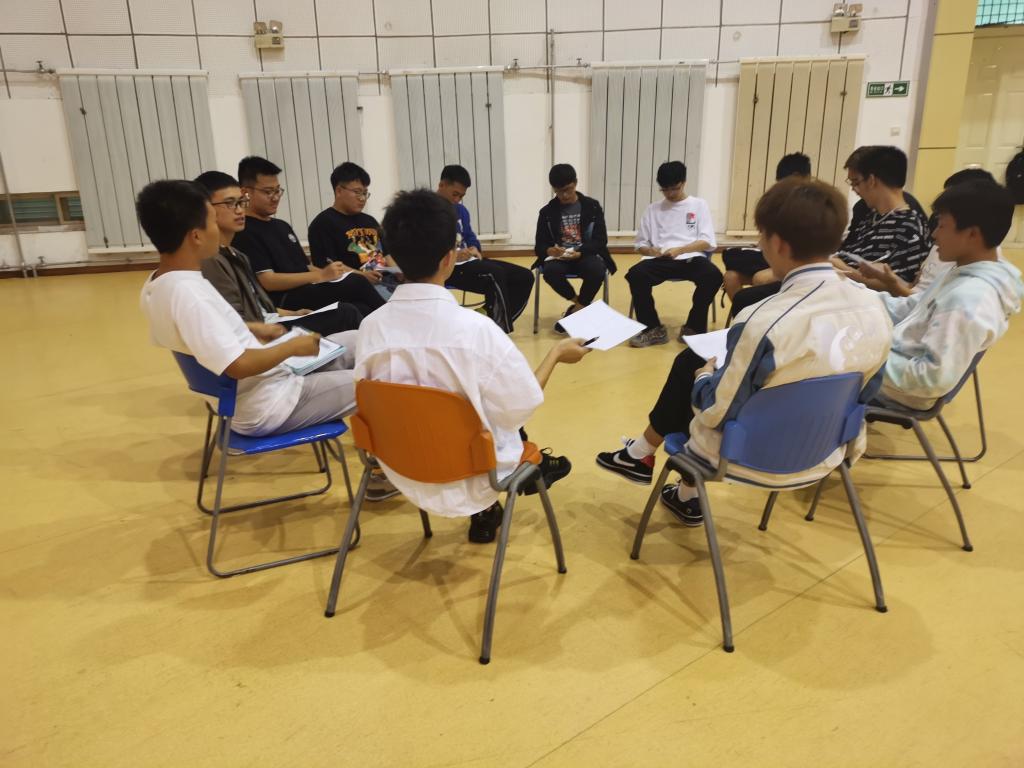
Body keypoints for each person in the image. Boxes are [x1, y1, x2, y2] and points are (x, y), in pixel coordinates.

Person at [595, 177, 892, 526]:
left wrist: (704, 377)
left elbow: (715, 411)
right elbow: (867, 393)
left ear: (777, 243)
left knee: (697, 372)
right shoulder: (875, 308)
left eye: (760, 237)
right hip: (827, 451)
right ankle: (669, 480)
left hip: (752, 454)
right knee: (701, 363)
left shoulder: (763, 320)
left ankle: (647, 458)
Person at [355, 189, 591, 543]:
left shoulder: (371, 327)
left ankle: (500, 501)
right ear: (449, 258)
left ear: (392, 258)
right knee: (493, 407)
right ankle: (534, 469)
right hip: (473, 476)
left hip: (400, 470)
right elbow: (520, 407)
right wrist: (556, 354)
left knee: (466, 400)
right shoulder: (476, 330)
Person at [137, 179, 360, 438]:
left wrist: (251, 328)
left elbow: (199, 333)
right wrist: (291, 347)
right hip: (269, 402)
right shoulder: (190, 294)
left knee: (360, 339)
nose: (217, 230)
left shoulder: (158, 283)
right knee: (382, 379)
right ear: (196, 236)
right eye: (212, 222)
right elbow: (238, 365)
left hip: (261, 385)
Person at [730, 145, 932, 318]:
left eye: (856, 182)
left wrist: (846, 270)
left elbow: (898, 287)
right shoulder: (869, 214)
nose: (854, 189)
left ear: (871, 180)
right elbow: (846, 251)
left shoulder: (910, 226)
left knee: (751, 299)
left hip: (850, 296)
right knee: (749, 291)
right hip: (831, 281)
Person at [875, 179, 1022, 410]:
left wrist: (866, 356)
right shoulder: (963, 271)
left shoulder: (968, 300)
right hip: (896, 359)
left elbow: (931, 379)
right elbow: (913, 308)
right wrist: (858, 298)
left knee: (823, 357)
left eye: (942, 226)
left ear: (972, 234)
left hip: (904, 389)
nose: (934, 234)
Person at [195, 171, 364, 336]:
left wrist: (292, 313)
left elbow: (257, 305)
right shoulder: (211, 260)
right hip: (262, 331)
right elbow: (237, 321)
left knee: (353, 311)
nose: (239, 210)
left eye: (241, 202)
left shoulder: (238, 254)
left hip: (274, 317)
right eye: (230, 203)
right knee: (346, 311)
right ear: (206, 209)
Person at [232, 156, 386, 317]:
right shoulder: (245, 230)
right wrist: (320, 275)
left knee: (358, 309)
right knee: (356, 283)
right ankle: (394, 319)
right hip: (284, 298)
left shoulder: (282, 226)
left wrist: (333, 273)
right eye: (268, 192)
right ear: (245, 193)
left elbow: (306, 266)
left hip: (308, 288)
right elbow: (268, 281)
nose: (275, 197)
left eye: (277, 190)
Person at [849, 168, 999, 298]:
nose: (934, 234)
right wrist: (889, 280)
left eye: (942, 225)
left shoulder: (971, 282)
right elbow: (917, 292)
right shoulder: (951, 246)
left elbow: (922, 303)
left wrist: (855, 275)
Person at [626, 161, 721, 347]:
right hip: (661, 259)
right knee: (636, 275)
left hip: (690, 258)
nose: (669, 193)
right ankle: (652, 328)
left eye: (674, 188)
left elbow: (707, 241)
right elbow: (640, 244)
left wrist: (680, 250)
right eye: (665, 189)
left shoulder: (698, 205)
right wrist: (651, 251)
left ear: (683, 183)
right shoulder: (653, 209)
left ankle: (694, 327)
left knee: (713, 276)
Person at [438, 164, 535, 332]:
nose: (457, 200)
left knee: (524, 276)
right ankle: (498, 329)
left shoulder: (461, 211)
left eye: (461, 196)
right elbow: (427, 247)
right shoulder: (428, 211)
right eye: (455, 194)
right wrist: (454, 255)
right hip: (447, 268)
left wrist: (474, 248)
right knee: (494, 274)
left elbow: (469, 236)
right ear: (442, 185)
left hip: (469, 262)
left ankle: (490, 321)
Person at [532, 163, 615, 333]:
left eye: (568, 190)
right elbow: (540, 244)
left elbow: (600, 240)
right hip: (560, 257)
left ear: (575, 183)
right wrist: (549, 250)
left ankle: (576, 311)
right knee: (550, 272)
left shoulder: (592, 206)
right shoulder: (547, 212)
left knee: (597, 270)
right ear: (553, 189)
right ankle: (581, 305)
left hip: (586, 253)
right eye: (558, 191)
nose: (564, 195)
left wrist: (581, 252)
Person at [722, 153, 811, 302]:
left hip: (798, 263)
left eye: (782, 183)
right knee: (730, 277)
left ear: (797, 177)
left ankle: (763, 313)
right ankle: (743, 314)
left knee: (760, 278)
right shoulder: (780, 202)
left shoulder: (812, 205)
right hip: (776, 258)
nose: (780, 188)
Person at [307, 161, 400, 300]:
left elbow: (387, 255)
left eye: (365, 193)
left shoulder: (369, 221)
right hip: (355, 288)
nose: (362, 198)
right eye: (357, 192)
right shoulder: (323, 224)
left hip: (387, 280)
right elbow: (329, 267)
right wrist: (362, 276)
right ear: (339, 191)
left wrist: (399, 272)